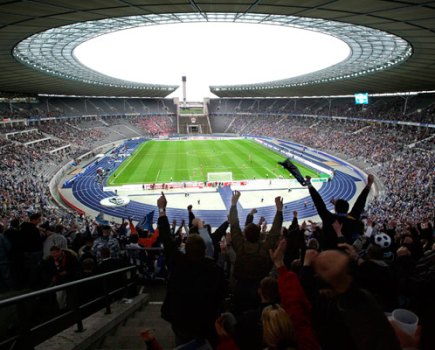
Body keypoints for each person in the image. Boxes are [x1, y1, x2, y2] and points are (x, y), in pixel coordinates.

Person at [157, 193, 227, 347]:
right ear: (205, 251)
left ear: (185, 249)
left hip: (181, 322)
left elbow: (167, 240)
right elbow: (222, 294)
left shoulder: (178, 263)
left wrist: (162, 209)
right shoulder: (215, 270)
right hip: (206, 322)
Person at [229, 191, 282, 316]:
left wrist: (233, 205)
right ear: (260, 236)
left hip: (240, 290)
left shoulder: (240, 247)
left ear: (245, 236)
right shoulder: (264, 249)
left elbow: (234, 225)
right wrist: (279, 211)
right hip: (261, 290)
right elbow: (274, 233)